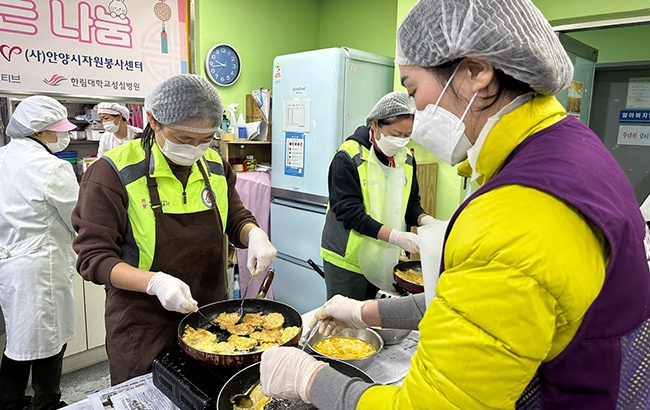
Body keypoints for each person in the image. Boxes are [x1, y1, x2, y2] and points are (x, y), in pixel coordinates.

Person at [259, 0, 650, 409]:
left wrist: (310, 378)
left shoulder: (520, 211)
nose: (417, 113)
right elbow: (474, 303)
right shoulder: (573, 148)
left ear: (475, 72)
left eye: (413, 89)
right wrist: (366, 311)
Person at [72, 74, 277, 385]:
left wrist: (255, 234)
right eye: (184, 139)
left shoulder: (214, 165)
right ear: (153, 121)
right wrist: (155, 283)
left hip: (210, 316)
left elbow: (234, 217)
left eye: (205, 139)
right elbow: (93, 258)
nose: (196, 148)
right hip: (142, 325)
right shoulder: (112, 174)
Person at [0, 96, 78, 410]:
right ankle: (47, 402)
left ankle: (10, 401)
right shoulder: (51, 168)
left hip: (10, 263)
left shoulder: (3, 156)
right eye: (57, 130)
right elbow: (78, 218)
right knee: (49, 340)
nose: (63, 136)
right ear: (38, 131)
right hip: (41, 267)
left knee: (18, 342)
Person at [320, 91, 434, 300]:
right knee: (344, 325)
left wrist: (427, 221)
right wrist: (397, 237)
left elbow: (410, 205)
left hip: (384, 258)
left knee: (375, 320)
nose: (401, 141)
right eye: (395, 133)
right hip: (347, 260)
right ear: (375, 125)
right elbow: (350, 214)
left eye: (406, 135)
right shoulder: (349, 156)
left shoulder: (406, 159)